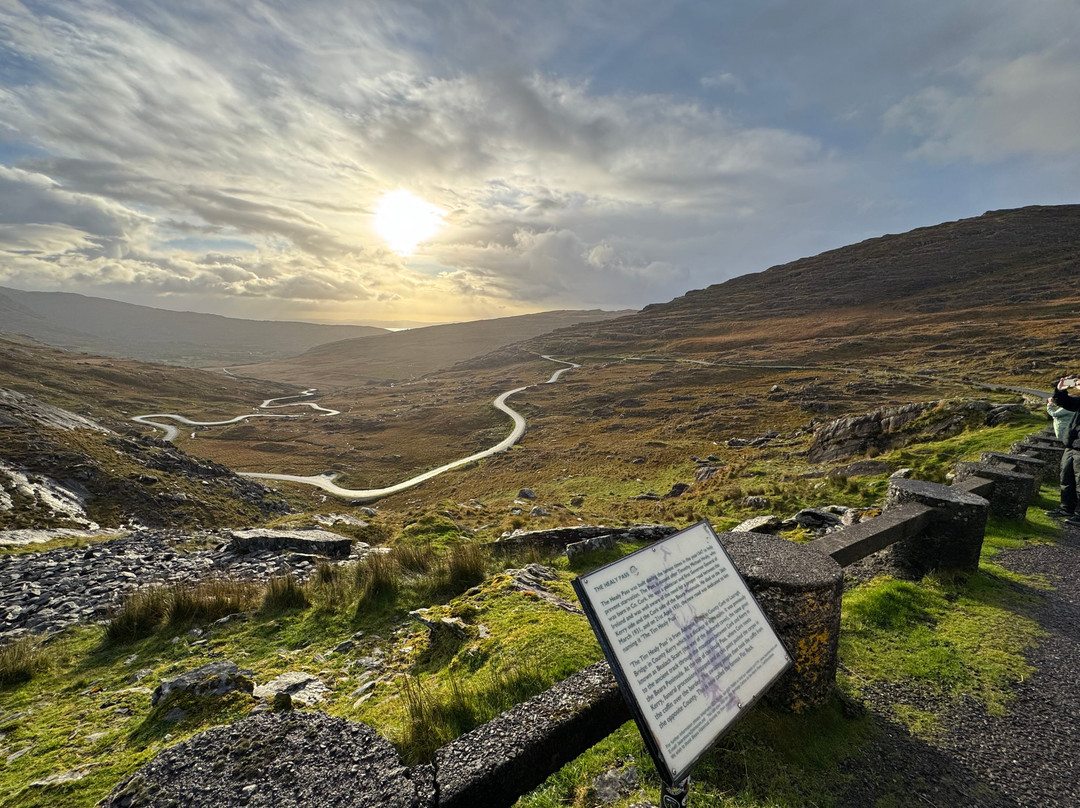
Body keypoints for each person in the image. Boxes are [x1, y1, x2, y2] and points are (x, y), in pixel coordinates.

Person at [1049, 375, 1080, 526]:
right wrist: (1060, 390)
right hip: (1073, 444)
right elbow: (1067, 403)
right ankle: (1067, 508)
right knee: (1066, 477)